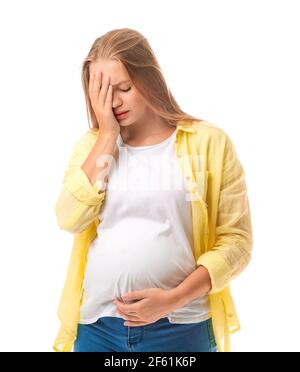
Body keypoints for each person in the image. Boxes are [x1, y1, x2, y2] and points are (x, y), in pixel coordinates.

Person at [53, 28, 253, 353]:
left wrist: (173, 299)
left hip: (181, 329)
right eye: (102, 93)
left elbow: (236, 242)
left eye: (124, 88)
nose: (114, 102)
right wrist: (107, 136)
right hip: (98, 330)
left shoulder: (208, 143)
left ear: (149, 79)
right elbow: (68, 218)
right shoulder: (92, 147)